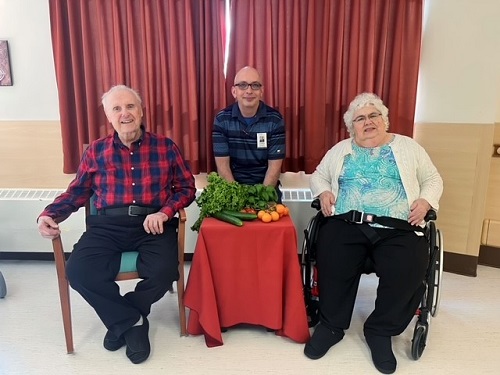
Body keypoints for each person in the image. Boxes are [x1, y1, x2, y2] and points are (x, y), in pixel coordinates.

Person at [37, 85, 196, 364]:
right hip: (106, 226)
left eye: (131, 107)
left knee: (165, 270)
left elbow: (186, 188)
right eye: (117, 109)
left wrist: (165, 212)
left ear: (142, 110)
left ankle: (122, 319)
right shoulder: (97, 151)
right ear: (108, 117)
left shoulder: (166, 147)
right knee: (79, 271)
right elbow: (77, 192)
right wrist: (48, 213)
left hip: (152, 224)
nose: (125, 114)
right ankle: (132, 322)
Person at [304, 92, 443, 374]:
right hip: (347, 222)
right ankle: (331, 326)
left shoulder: (408, 146)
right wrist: (324, 190)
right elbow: (318, 175)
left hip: (398, 227)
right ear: (351, 127)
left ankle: (380, 330)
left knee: (408, 265)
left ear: (384, 120)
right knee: (331, 254)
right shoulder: (340, 149)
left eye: (373, 115)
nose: (367, 122)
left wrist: (426, 200)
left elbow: (432, 179)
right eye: (360, 119)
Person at [212, 66, 286, 200]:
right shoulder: (222, 120)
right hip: (232, 190)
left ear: (262, 91)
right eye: (243, 85)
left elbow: (274, 169)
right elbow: (223, 168)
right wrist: (237, 198)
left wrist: (260, 200)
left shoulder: (275, 120)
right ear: (234, 91)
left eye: (255, 85)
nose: (249, 91)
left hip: (265, 190)